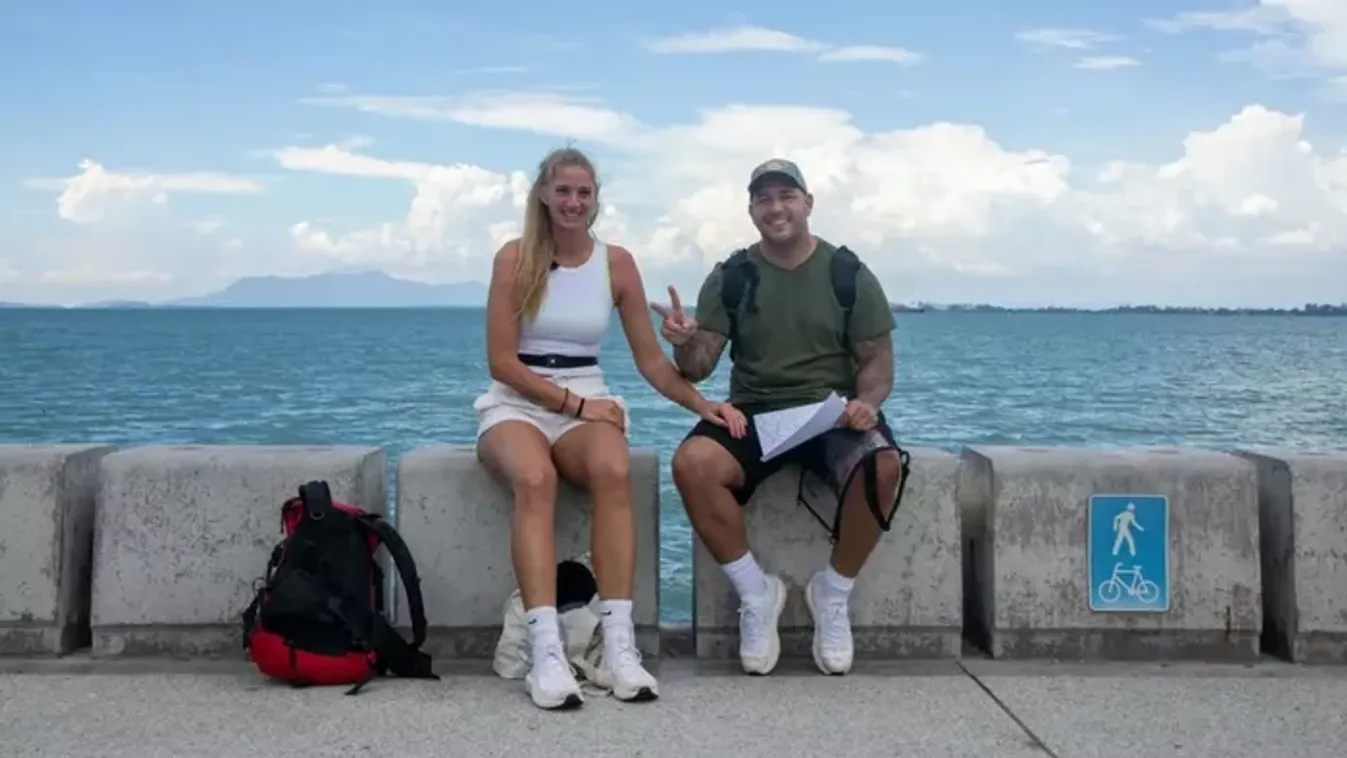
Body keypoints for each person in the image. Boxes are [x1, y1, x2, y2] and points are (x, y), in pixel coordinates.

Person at [474, 146, 747, 710]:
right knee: (535, 480)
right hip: (517, 403)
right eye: (563, 191)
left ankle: (619, 647)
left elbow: (652, 363)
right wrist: (576, 405)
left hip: (587, 402)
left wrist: (702, 405)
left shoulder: (616, 264)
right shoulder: (514, 258)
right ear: (543, 195)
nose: (574, 202)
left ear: (596, 199)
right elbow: (502, 362)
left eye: (584, 192)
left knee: (613, 469)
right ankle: (547, 652)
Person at [653, 158, 909, 677]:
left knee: (884, 466)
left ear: (808, 203)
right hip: (754, 412)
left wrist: (867, 402)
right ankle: (756, 593)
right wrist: (682, 342)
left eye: (786, 196)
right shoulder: (732, 276)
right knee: (692, 464)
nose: (776, 208)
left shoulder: (848, 274)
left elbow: (877, 361)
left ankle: (832, 593)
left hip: (831, 415)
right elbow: (698, 367)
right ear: (751, 211)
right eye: (764, 199)